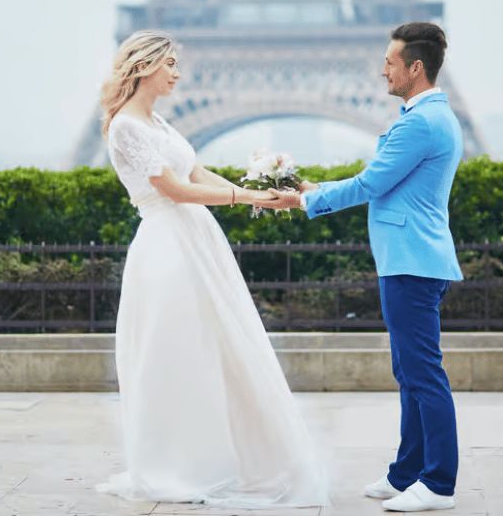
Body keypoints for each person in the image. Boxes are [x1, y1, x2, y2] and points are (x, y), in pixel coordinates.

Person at [94, 30, 328, 508]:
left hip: (196, 242)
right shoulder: (126, 127)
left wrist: (261, 195)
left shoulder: (158, 122)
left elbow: (197, 174)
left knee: (214, 346)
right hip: (167, 247)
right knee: (180, 351)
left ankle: (221, 456)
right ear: (145, 66)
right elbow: (175, 190)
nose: (179, 73)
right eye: (172, 64)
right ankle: (181, 463)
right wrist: (244, 196)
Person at [269, 22, 464, 512]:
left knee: (423, 374)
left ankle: (438, 482)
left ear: (415, 68)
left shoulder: (421, 122)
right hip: (410, 260)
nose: (383, 70)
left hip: (412, 263)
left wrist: (302, 201)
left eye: (391, 62)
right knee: (410, 371)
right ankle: (406, 473)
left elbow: (371, 183)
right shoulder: (430, 116)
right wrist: (315, 192)